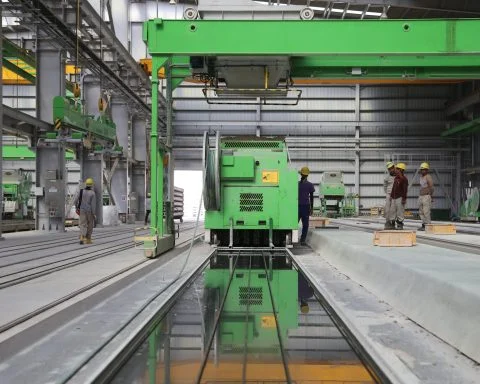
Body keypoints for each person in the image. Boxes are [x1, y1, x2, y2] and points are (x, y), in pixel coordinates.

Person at [75, 177, 96, 245]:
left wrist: (77, 207)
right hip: (89, 211)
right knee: (90, 224)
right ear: (92, 185)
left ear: (86, 184)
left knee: (82, 224)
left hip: (82, 210)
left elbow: (76, 200)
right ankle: (88, 239)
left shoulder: (81, 191)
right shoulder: (92, 193)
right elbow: (93, 205)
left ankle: (81, 237)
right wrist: (94, 213)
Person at [298, 166, 315, 246]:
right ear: (307, 175)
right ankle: (302, 240)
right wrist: (312, 208)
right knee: (305, 225)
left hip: (297, 206)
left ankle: (292, 239)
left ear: (301, 174)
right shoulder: (310, 185)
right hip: (305, 206)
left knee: (293, 223)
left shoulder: (297, 184)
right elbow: (311, 197)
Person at [390, 163, 408, 230]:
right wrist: (391, 196)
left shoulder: (404, 179)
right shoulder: (396, 178)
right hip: (394, 197)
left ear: (401, 170)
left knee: (400, 212)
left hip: (400, 198)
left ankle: (400, 224)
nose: (396, 170)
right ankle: (392, 223)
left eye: (397, 169)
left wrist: (404, 198)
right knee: (392, 211)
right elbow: (393, 188)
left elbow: (405, 190)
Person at [418, 162, 434, 231]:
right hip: (421, 196)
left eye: (424, 169)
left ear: (427, 170)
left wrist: (430, 195)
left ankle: (428, 225)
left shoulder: (428, 177)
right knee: (421, 212)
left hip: (426, 196)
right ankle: (424, 224)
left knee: (426, 211)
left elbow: (431, 187)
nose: (422, 171)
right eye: (421, 169)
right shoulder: (421, 177)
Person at [383, 161, 396, 229]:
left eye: (391, 168)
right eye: (389, 169)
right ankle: (387, 222)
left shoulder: (398, 176)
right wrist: (388, 193)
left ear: (394, 168)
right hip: (389, 195)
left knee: (394, 210)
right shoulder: (387, 178)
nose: (390, 170)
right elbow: (385, 186)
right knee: (387, 209)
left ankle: (393, 223)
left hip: (396, 195)